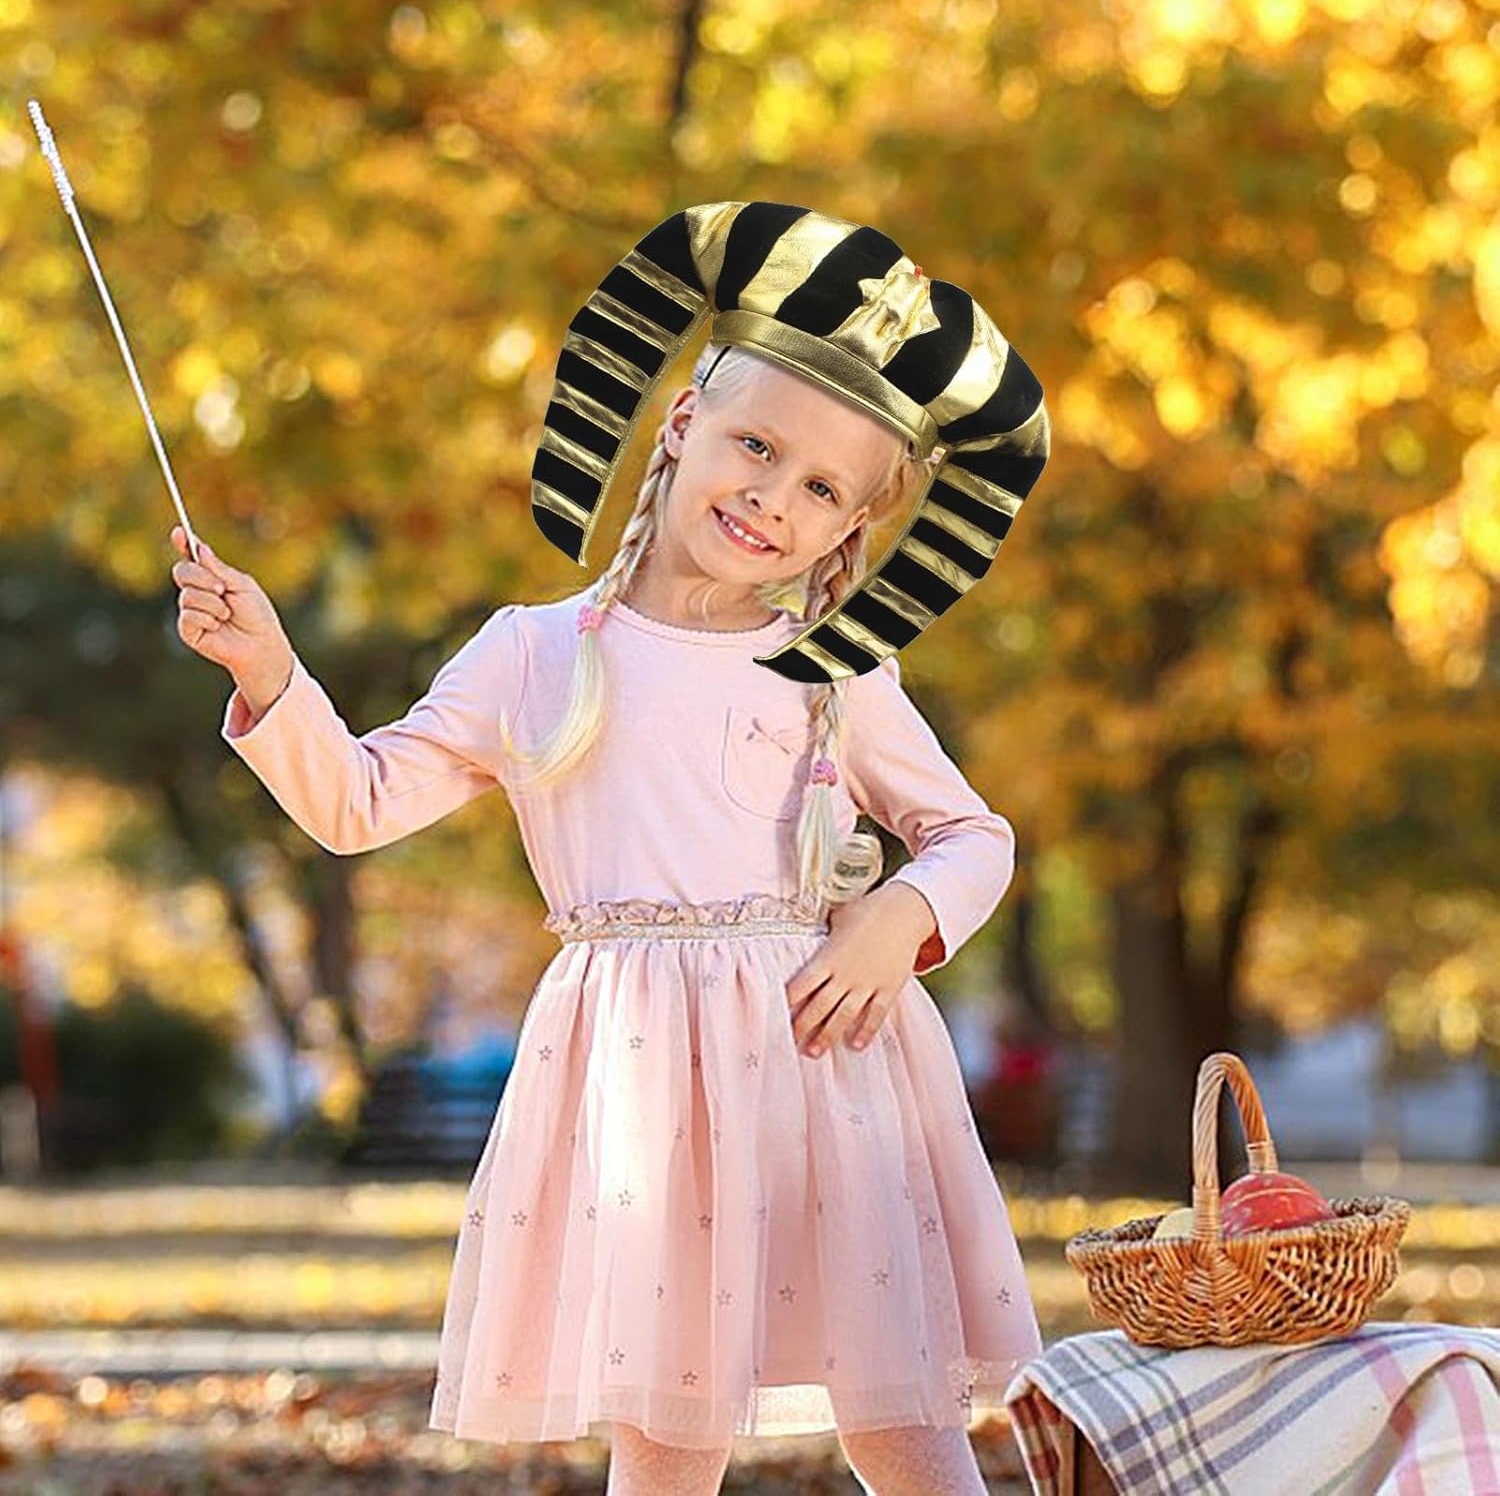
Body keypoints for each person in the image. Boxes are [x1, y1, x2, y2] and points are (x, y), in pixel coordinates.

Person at [169, 200, 1050, 1496]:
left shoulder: (835, 669)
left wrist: (897, 921)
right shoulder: (532, 655)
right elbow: (357, 803)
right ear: (682, 423)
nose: (773, 498)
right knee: (669, 1423)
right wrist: (270, 672)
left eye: (821, 489)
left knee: (900, 1417)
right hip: (647, 1086)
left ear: (848, 530)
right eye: (756, 446)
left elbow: (971, 835)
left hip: (827, 1069)